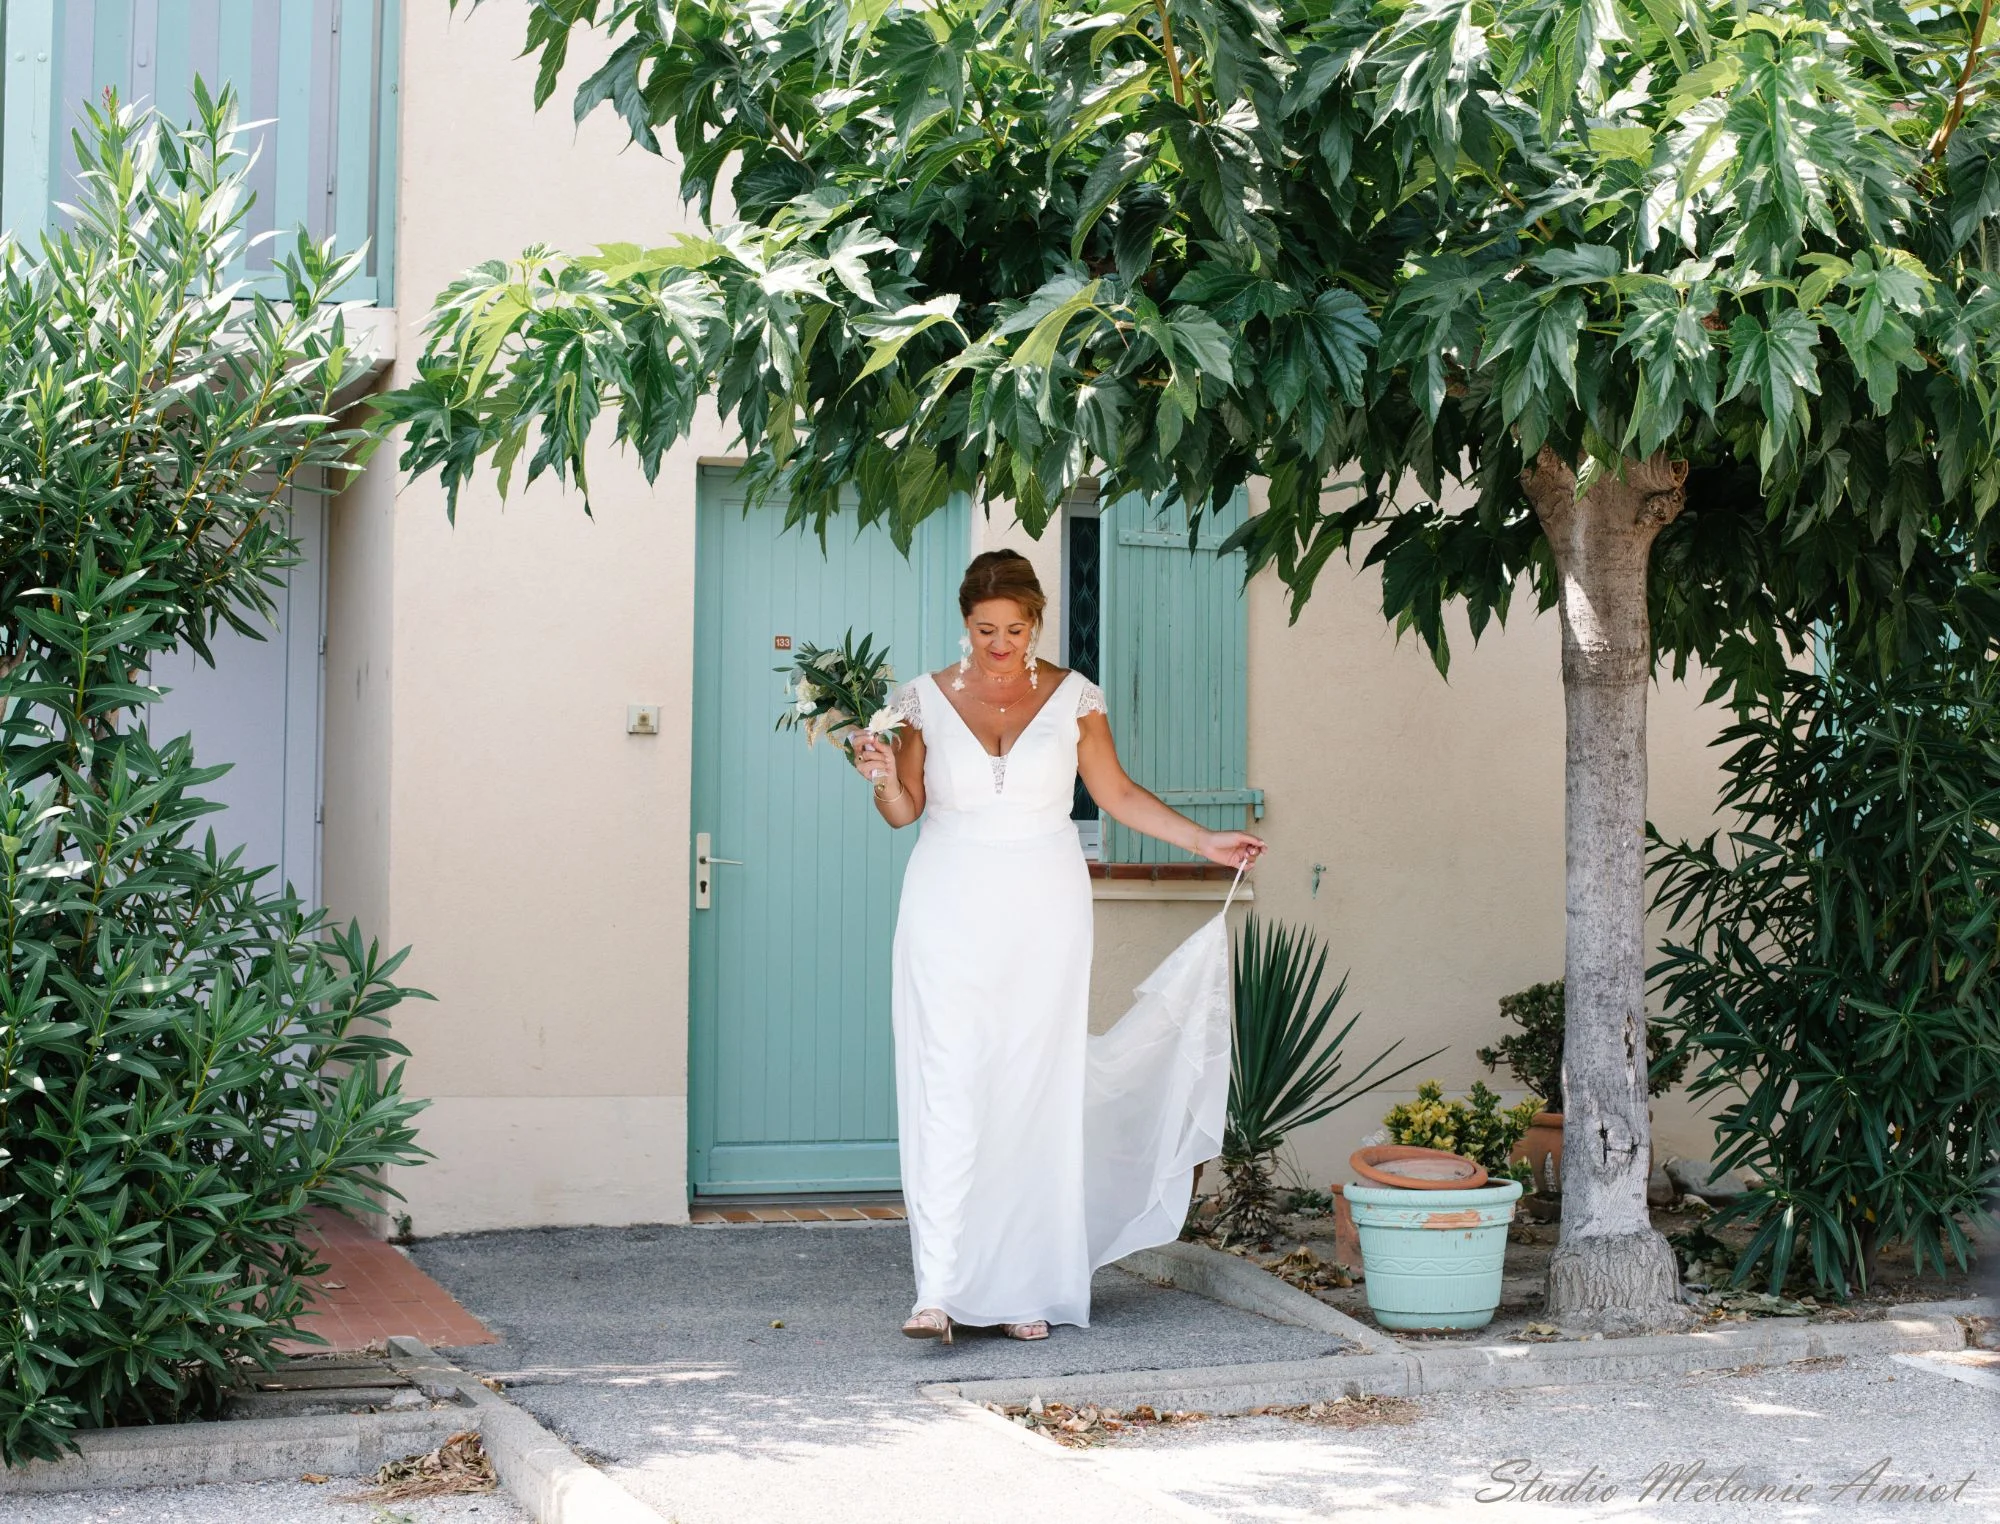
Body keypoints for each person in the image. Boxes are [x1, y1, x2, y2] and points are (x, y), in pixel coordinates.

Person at [849, 549, 1264, 1343]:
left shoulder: (1075, 697)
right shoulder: (921, 700)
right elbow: (904, 812)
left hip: (1045, 901)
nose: (999, 644)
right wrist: (877, 772)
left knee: (1033, 1086)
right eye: (984, 629)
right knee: (949, 1078)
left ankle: (1024, 1288)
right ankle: (937, 1289)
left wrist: (1205, 840)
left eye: (1014, 628)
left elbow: (1115, 794)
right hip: (947, 901)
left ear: (1035, 622)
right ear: (965, 623)